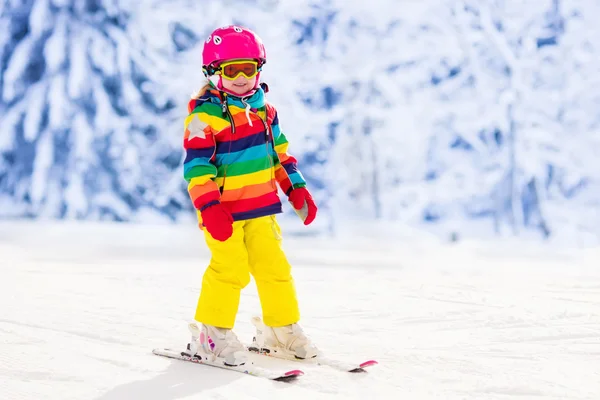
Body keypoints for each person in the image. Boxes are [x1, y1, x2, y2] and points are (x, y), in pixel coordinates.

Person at [182, 25, 319, 367]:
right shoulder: (203, 117)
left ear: (259, 68)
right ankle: (212, 335)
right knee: (229, 270)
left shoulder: (266, 112)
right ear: (213, 72)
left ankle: (280, 330)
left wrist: (296, 189)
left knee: (275, 268)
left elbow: (280, 157)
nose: (242, 77)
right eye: (231, 69)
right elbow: (196, 168)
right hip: (223, 213)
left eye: (249, 68)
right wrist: (209, 207)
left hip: (261, 208)